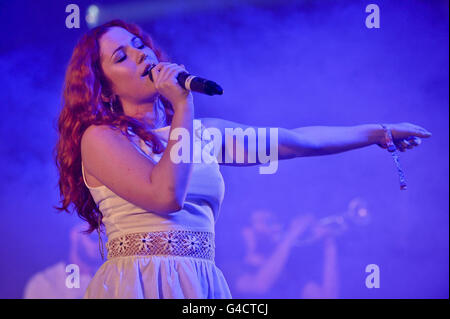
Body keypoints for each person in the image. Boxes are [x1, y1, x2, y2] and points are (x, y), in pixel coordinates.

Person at [54, 19, 432, 299]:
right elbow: (166, 195)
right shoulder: (100, 138)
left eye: (140, 44)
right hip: (137, 283)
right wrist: (183, 104)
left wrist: (379, 132)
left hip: (200, 285)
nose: (141, 54)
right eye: (121, 56)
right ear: (103, 88)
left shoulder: (203, 134)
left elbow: (299, 142)